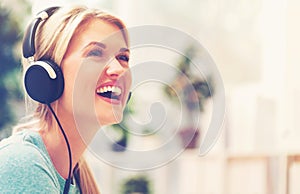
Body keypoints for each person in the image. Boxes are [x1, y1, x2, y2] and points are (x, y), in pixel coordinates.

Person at [0, 5, 132, 194]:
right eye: (95, 53)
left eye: (123, 57)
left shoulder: (74, 176)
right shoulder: (22, 164)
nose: (119, 69)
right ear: (49, 75)